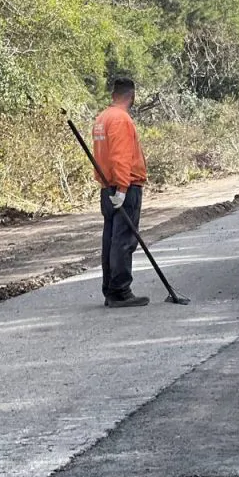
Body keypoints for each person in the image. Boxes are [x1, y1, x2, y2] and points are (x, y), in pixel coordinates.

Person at [92, 77, 149, 308]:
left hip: (107, 187)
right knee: (123, 240)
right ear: (132, 96)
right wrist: (124, 188)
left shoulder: (102, 118)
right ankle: (120, 290)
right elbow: (120, 157)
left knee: (110, 239)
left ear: (113, 94)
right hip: (124, 187)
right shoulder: (121, 119)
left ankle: (110, 288)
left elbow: (101, 156)